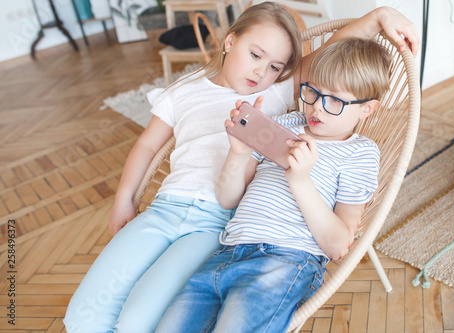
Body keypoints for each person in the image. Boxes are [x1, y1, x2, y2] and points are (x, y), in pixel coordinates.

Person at [64, 2, 418, 332]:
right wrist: (124, 199)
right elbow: (146, 145)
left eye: (276, 66)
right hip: (171, 212)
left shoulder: (280, 93)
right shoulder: (188, 92)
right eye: (255, 54)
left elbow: (334, 67)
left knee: (138, 321)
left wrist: (379, 17)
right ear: (230, 41)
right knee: (84, 315)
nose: (262, 70)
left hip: (218, 224)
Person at [156, 37, 391, 333]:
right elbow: (228, 199)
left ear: (367, 109)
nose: (316, 107)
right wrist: (238, 153)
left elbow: (338, 245)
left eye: (334, 100)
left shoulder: (360, 153)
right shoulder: (286, 124)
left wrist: (301, 180)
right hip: (227, 252)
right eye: (313, 92)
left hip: (284, 259)